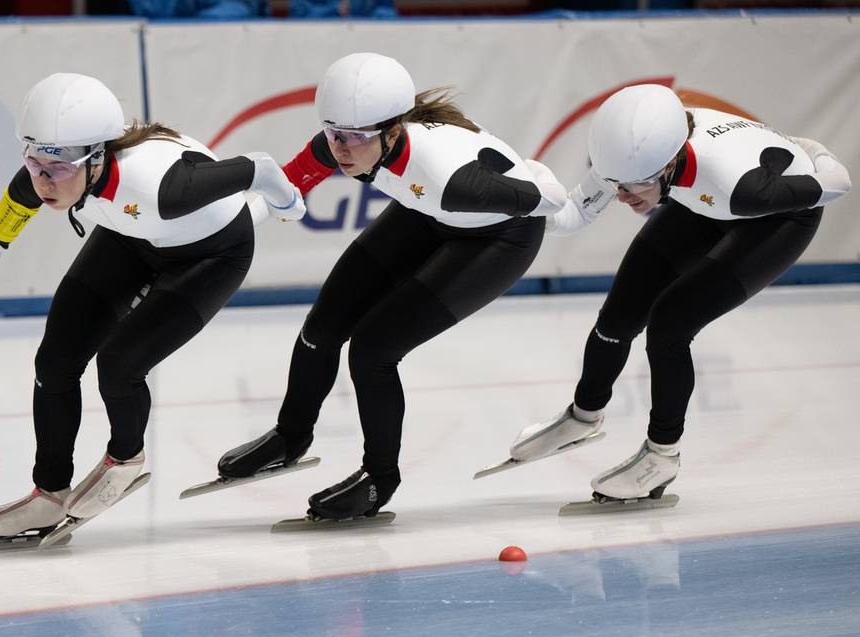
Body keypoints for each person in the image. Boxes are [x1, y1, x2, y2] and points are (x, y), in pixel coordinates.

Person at [0, 73, 304, 545]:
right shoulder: (46, 175)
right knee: (55, 362)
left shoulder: (161, 185)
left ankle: (125, 458)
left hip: (212, 254)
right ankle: (49, 490)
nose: (42, 182)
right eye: (34, 163)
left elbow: (258, 168)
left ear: (97, 159)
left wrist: (289, 203)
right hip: (131, 237)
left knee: (119, 364)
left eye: (56, 170)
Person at [214, 52, 567, 522]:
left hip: (498, 237)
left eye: (355, 138)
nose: (340, 149)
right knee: (322, 325)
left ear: (393, 131)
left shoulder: (449, 176)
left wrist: (536, 175)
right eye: (332, 132)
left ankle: (379, 480)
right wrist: (233, 229)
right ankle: (291, 435)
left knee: (373, 350)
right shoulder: (344, 141)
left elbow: (549, 201)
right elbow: (286, 188)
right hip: (426, 213)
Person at [507, 84, 850, 505]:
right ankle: (582, 415)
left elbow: (837, 183)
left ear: (669, 163)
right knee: (620, 314)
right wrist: (527, 200)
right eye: (612, 182)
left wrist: (813, 152)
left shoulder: (735, 185)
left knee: (670, 325)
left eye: (633, 186)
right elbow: (574, 213)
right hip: (699, 200)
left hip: (773, 219)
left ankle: (661, 456)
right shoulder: (633, 153)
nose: (621, 195)